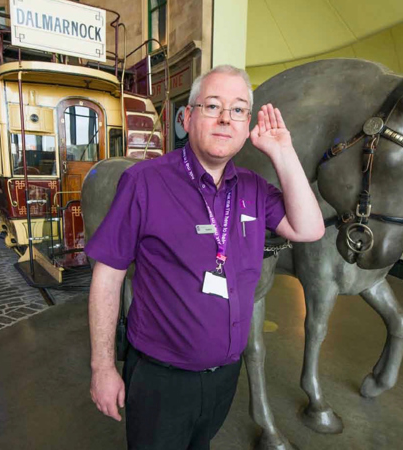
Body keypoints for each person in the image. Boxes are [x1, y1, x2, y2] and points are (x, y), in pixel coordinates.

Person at [85, 65, 325, 449]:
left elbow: (309, 229)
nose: (225, 119)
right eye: (212, 106)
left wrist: (283, 152)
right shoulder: (145, 182)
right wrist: (102, 366)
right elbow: (108, 275)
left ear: (248, 125)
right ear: (187, 117)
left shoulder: (253, 189)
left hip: (224, 377)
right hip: (160, 380)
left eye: (239, 110)